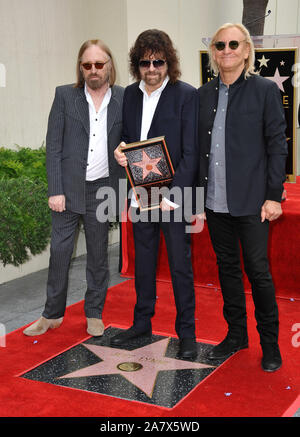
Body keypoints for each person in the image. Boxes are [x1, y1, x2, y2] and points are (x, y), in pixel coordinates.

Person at [197, 23, 288, 371]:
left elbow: (277, 146)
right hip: (215, 202)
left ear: (247, 50)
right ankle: (236, 335)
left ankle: (270, 344)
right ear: (214, 53)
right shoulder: (203, 95)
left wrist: (273, 195)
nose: (227, 49)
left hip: (253, 202)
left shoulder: (264, 90)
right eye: (220, 44)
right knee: (227, 270)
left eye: (234, 43)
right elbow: (196, 148)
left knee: (258, 272)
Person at [23, 39, 124, 337]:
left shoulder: (123, 97)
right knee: (60, 253)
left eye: (99, 64)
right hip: (66, 190)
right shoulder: (65, 96)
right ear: (81, 68)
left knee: (98, 255)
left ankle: (94, 313)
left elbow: (131, 140)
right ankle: (52, 315)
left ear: (109, 65)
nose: (93, 70)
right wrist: (55, 189)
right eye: (87, 65)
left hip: (103, 189)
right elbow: (53, 146)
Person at [111, 29, 199, 358]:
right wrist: (120, 152)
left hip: (175, 198)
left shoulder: (186, 95)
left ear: (168, 61)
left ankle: (187, 334)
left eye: (158, 61)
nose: (152, 68)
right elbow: (125, 137)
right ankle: (141, 324)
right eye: (145, 62)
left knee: (180, 266)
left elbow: (191, 152)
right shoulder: (130, 95)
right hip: (140, 195)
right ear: (137, 64)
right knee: (144, 263)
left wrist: (174, 195)